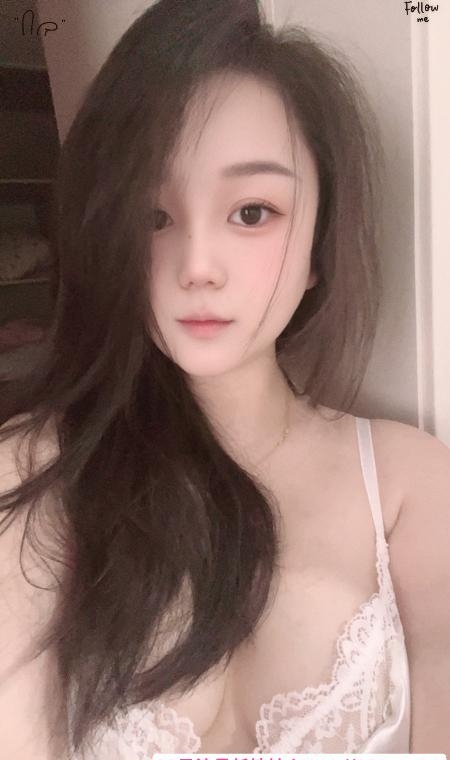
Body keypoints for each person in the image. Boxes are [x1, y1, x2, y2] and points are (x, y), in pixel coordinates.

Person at [0, 0, 449, 757]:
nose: (198, 266)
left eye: (251, 211)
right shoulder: (31, 474)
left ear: (319, 245)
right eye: (152, 217)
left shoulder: (410, 485)